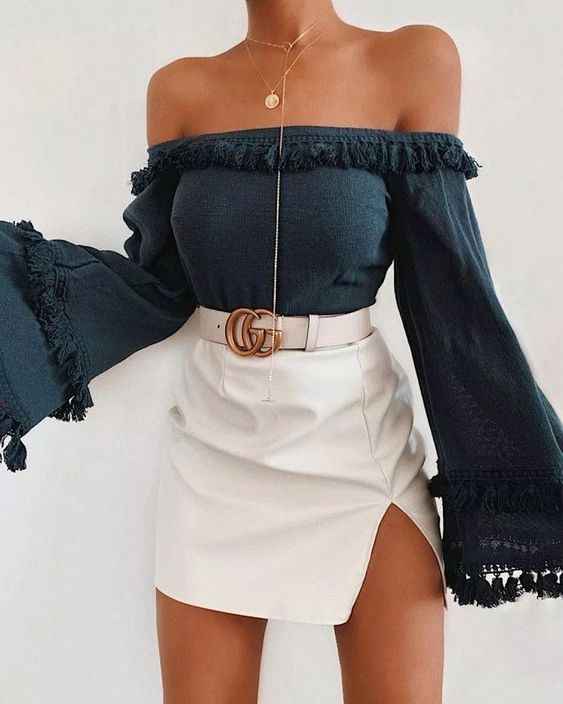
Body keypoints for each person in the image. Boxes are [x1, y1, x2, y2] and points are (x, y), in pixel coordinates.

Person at [1, 2, 561, 703]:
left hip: (357, 443)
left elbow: (448, 283)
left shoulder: (413, 60)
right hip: (214, 449)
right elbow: (160, 282)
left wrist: (510, 458)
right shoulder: (179, 89)